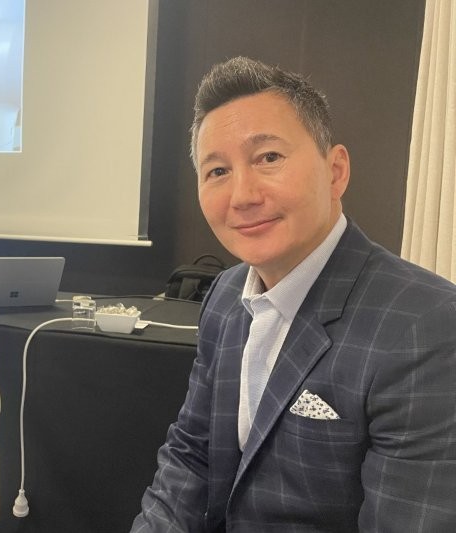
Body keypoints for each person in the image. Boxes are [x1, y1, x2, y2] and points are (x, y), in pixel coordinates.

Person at [132, 56, 456, 531]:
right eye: (217, 171)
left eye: (268, 158)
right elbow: (191, 455)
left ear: (335, 171)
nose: (242, 195)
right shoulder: (225, 296)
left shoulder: (425, 325)